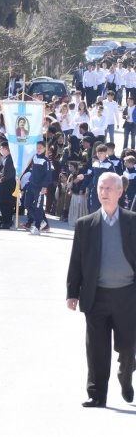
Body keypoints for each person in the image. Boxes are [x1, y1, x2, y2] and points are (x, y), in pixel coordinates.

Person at [66, 171, 136, 408]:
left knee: (128, 346)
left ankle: (126, 374)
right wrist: (72, 292)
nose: (103, 193)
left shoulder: (132, 221)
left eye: (108, 189)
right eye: (100, 188)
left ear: (120, 191)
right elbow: (76, 261)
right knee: (96, 347)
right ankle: (97, 394)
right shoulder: (85, 225)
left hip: (127, 295)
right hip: (96, 295)